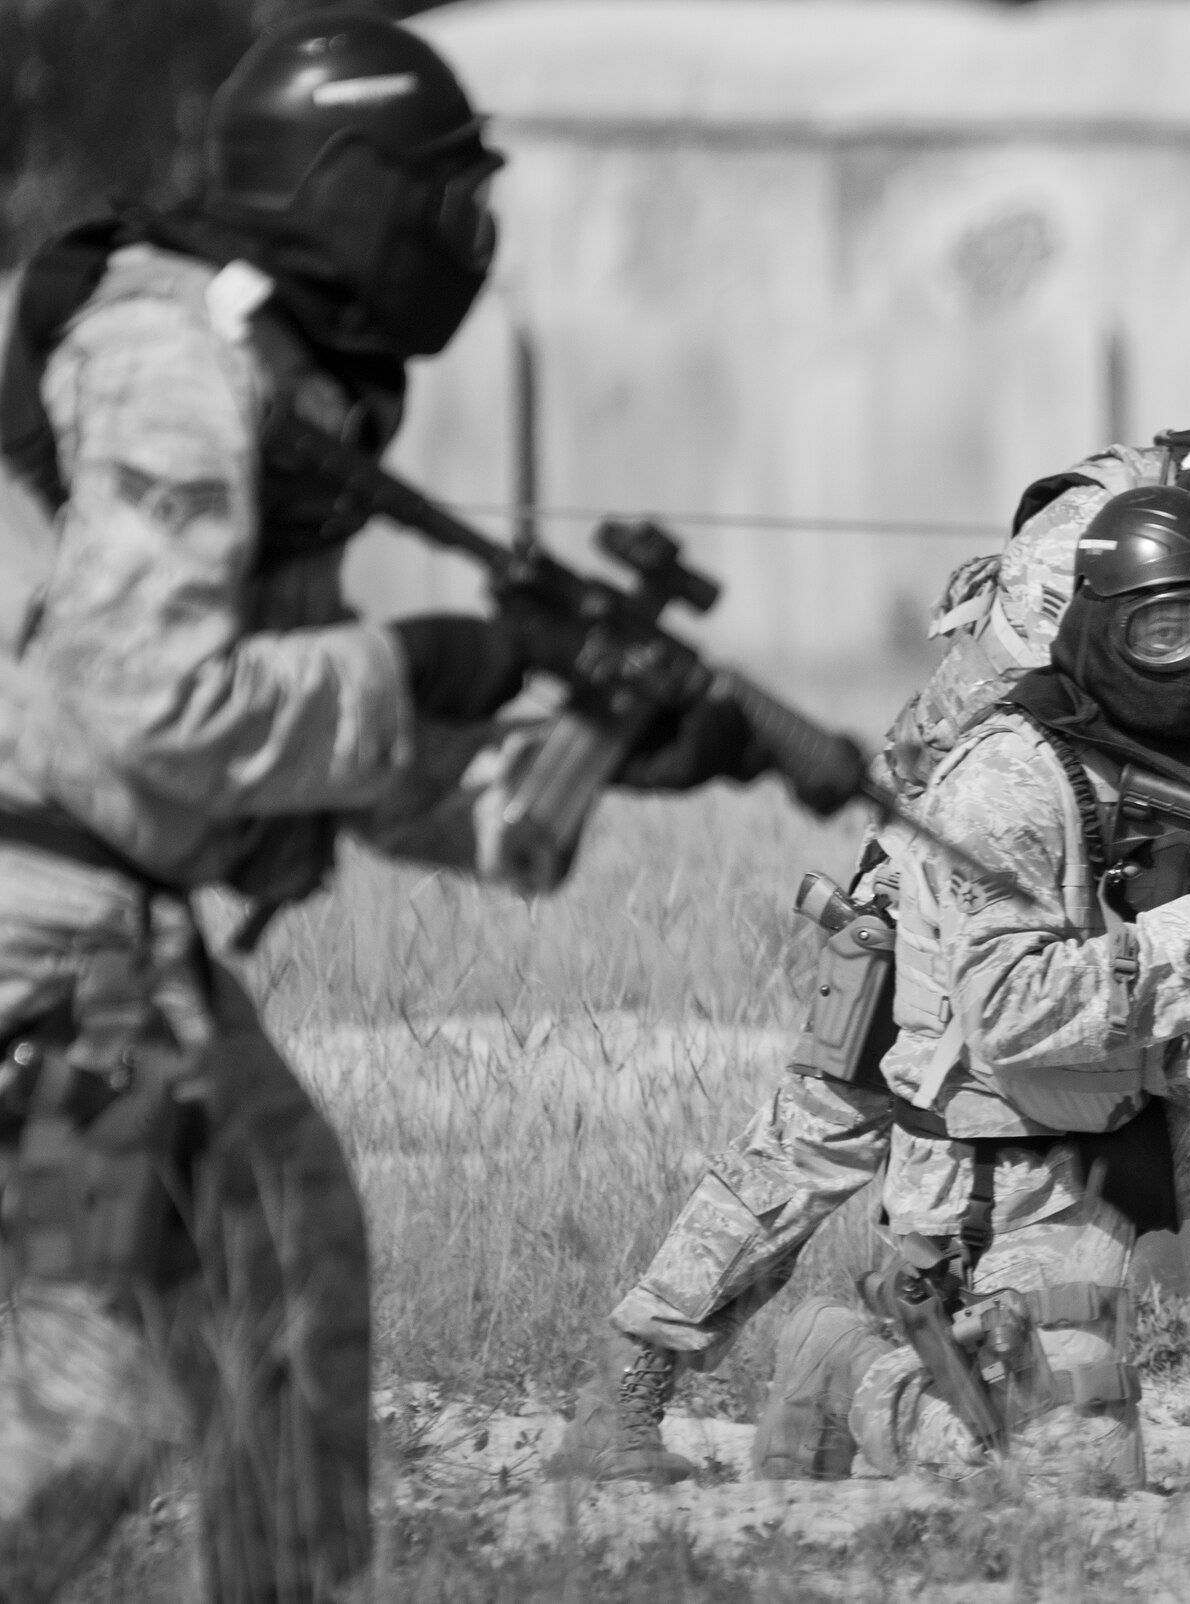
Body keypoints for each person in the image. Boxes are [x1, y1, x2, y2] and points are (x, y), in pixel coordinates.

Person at [0, 12, 761, 1601]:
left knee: (287, 1263)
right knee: (73, 1429)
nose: (465, 240)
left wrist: (608, 752)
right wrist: (437, 658)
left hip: (119, 951)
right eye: (442, 197)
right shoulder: (169, 359)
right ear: (350, 189)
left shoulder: (284, 375)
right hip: (43, 951)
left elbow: (289, 750)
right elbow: (145, 715)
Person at [555, 360, 1190, 1484]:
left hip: (1148, 903)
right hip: (962, 867)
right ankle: (629, 1390)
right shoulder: (1085, 537)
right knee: (821, 1126)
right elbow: (1068, 711)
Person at [776, 485, 1190, 1497]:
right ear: (1101, 624)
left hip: (1143, 1118)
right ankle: (845, 1362)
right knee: (1064, 1482)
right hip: (1010, 1159)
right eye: (1160, 626)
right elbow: (1011, 1014)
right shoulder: (1006, 778)